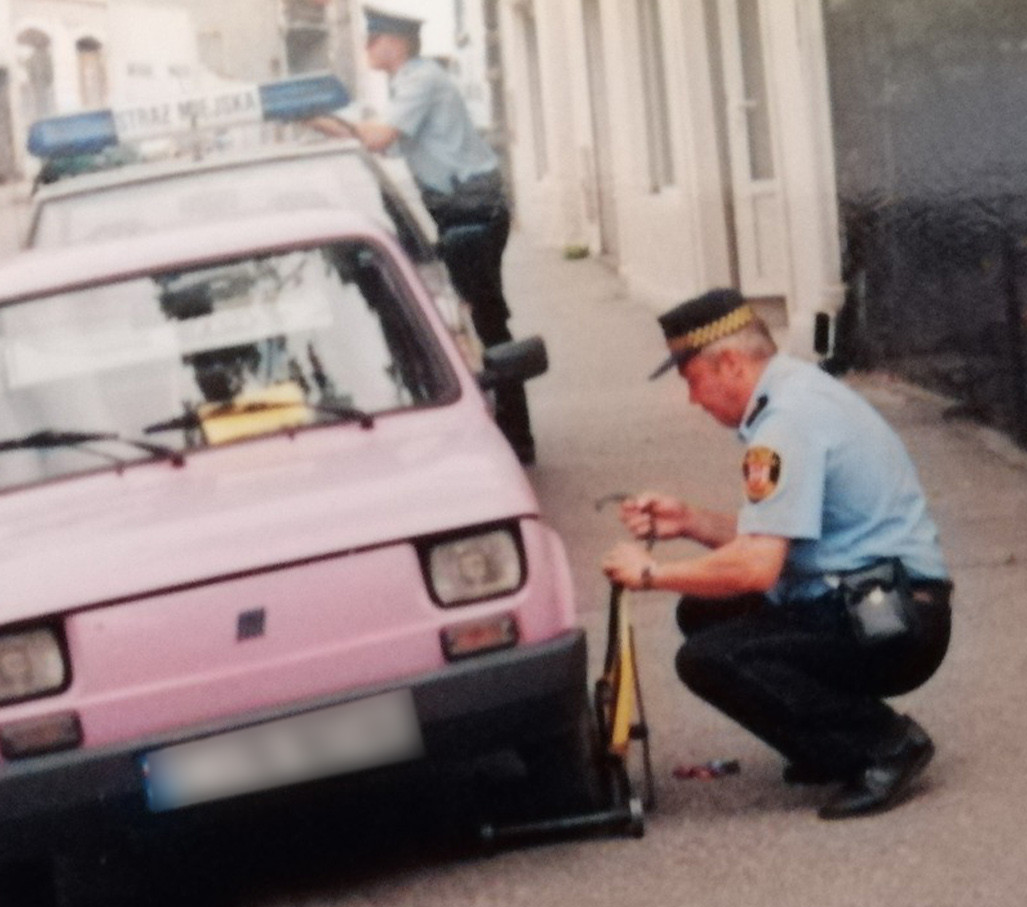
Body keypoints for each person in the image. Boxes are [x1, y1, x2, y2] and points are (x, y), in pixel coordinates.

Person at [601, 289, 954, 819]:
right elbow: (778, 540)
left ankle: (884, 744)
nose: (693, 399)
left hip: (892, 625)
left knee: (707, 656)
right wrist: (690, 521)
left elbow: (756, 566)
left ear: (729, 363)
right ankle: (825, 747)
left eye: (692, 381)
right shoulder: (798, 393)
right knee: (706, 612)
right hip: (886, 604)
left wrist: (650, 573)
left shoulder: (786, 424)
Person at [317, 6, 534, 463]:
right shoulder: (409, 83)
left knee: (485, 323)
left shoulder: (420, 81)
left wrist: (322, 117)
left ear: (393, 44)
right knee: (481, 320)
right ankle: (514, 435)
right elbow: (381, 138)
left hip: (471, 210)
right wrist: (320, 121)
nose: (366, 48)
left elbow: (376, 138)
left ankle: (517, 440)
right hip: (466, 209)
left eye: (371, 41)